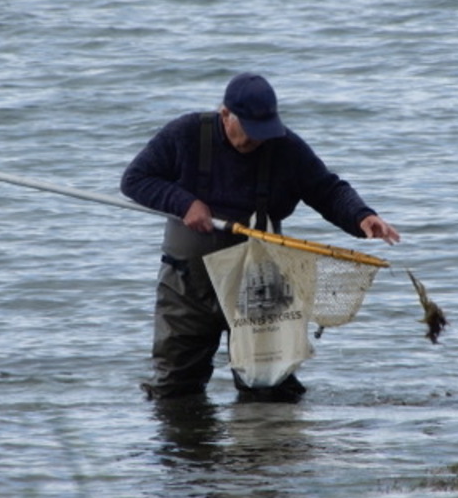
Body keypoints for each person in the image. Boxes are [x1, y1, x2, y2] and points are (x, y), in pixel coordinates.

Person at [121, 73, 399, 401]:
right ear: (226, 115)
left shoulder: (285, 145)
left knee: (270, 386)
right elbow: (135, 179)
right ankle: (187, 452)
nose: (258, 139)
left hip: (261, 283)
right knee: (176, 390)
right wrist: (184, 203)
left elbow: (325, 189)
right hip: (188, 284)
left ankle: (270, 448)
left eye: (264, 131)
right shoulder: (186, 133)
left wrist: (361, 216)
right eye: (251, 130)